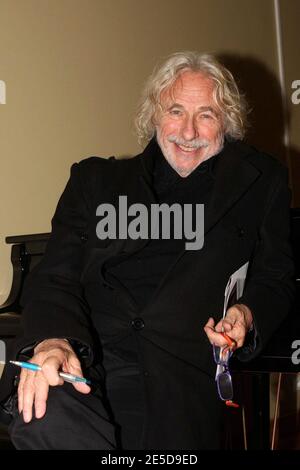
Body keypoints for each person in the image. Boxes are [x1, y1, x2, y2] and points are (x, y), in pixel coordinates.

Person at [0, 51, 295, 449]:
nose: (188, 132)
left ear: (226, 123)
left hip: (177, 383)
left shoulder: (260, 183)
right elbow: (55, 278)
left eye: (206, 114)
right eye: (176, 110)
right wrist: (53, 340)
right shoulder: (93, 180)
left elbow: (275, 278)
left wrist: (246, 313)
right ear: (154, 115)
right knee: (43, 409)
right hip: (83, 366)